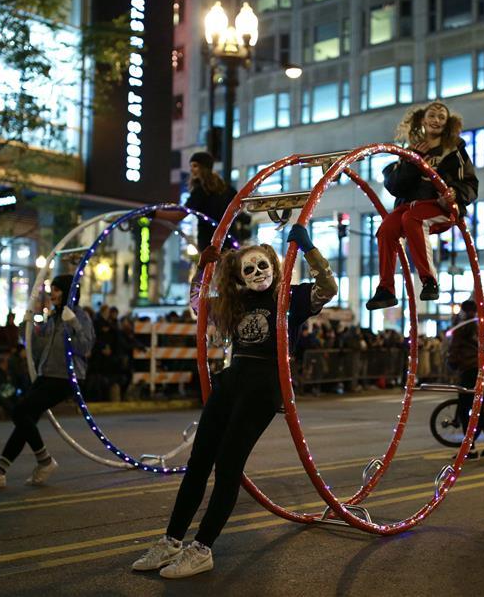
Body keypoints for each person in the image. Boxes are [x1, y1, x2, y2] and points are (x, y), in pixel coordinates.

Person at [131, 224, 337, 579]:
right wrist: (202, 267)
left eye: (262, 266)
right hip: (233, 379)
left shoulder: (289, 298)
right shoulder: (236, 302)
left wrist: (308, 249)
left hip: (265, 384)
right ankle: (172, 539)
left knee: (228, 465)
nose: (257, 274)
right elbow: (198, 304)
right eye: (249, 269)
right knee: (199, 462)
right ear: (240, 277)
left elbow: (328, 288)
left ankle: (202, 548)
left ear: (274, 265)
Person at [0, 275, 94, 490]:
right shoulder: (53, 318)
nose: (52, 294)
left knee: (20, 412)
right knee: (24, 418)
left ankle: (44, 461)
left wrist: (73, 322)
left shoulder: (81, 316)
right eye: (51, 290)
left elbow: (84, 347)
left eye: (56, 290)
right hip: (46, 374)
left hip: (65, 378)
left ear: (67, 291)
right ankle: (0, 472)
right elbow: (38, 349)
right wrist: (27, 329)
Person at [366, 102, 478, 310]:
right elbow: (394, 185)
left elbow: (470, 184)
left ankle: (429, 280)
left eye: (441, 117)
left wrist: (453, 193)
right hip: (409, 206)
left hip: (440, 206)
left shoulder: (454, 151)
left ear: (447, 123)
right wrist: (412, 161)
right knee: (386, 229)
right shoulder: (410, 152)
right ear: (423, 120)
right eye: (432, 116)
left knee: (413, 218)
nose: (436, 120)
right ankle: (386, 289)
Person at [447, 298, 484, 459]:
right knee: (479, 409)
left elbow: (455, 347)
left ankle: (471, 449)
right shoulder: (481, 326)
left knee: (463, 410)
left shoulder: (463, 327)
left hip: (468, 369)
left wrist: (452, 363)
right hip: (481, 370)